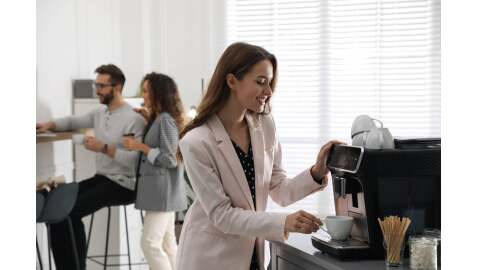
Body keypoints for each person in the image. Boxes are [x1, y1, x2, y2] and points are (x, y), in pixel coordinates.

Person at [176, 42, 343, 270]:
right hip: (210, 257)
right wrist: (284, 222)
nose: (268, 91)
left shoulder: (265, 125)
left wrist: (316, 172)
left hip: (253, 254)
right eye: (261, 82)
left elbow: (279, 190)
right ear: (232, 81)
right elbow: (222, 215)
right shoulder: (196, 142)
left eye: (270, 83)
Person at [36, 64, 146, 270]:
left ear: (117, 87)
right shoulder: (100, 113)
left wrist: (104, 147)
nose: (97, 90)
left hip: (123, 185)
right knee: (57, 207)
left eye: (102, 86)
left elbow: (133, 161)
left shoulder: (134, 119)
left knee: (68, 212)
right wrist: (49, 124)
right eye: (96, 85)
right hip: (103, 178)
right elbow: (72, 121)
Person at [123, 72, 187, 270]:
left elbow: (170, 159)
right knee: (168, 245)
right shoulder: (160, 118)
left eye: (146, 91)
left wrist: (140, 146)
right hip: (161, 193)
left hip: (162, 193)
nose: (143, 95)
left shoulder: (166, 120)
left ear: (158, 93)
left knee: (149, 244)